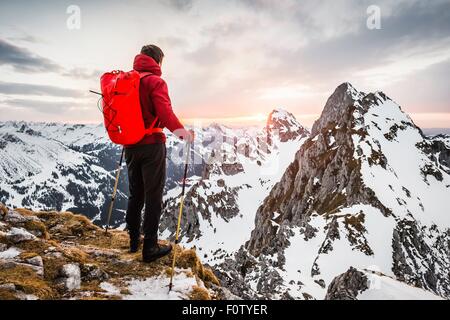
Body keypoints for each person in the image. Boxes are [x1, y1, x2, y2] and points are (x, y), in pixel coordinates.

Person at [125, 44, 193, 263]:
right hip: (152, 144)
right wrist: (184, 134)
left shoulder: (127, 81)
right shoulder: (155, 82)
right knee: (153, 196)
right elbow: (165, 114)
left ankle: (134, 241)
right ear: (158, 61)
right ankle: (150, 247)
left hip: (130, 144)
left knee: (136, 194)